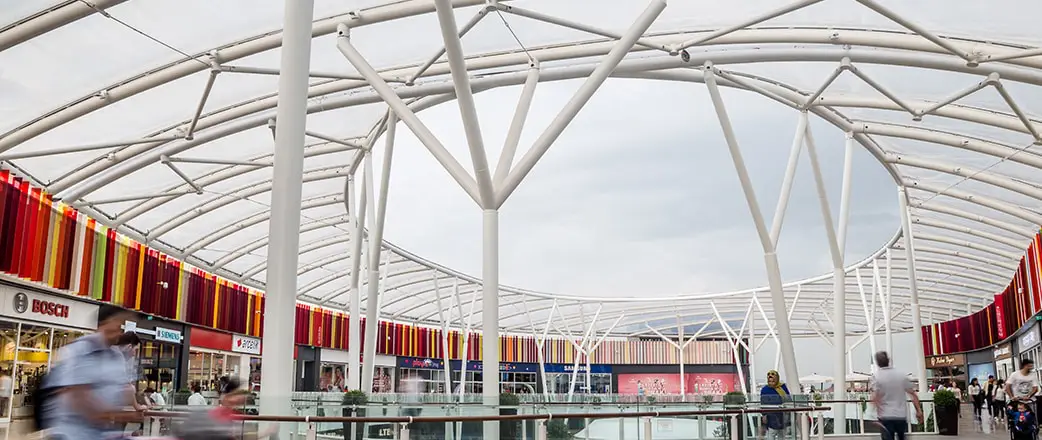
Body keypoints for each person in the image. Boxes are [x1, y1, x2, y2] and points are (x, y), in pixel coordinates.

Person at [44, 305, 143, 440]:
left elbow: (125, 389)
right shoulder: (80, 350)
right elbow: (79, 398)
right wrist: (121, 416)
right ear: (103, 324)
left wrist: (135, 406)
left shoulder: (116, 356)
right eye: (117, 325)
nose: (119, 332)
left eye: (121, 327)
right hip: (74, 434)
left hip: (103, 434)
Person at [870, 351, 924, 440]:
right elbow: (913, 394)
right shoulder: (900, 374)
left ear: (878, 363)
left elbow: (876, 398)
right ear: (888, 360)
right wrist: (919, 411)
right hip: (901, 415)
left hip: (885, 416)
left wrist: (873, 414)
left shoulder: (876, 377)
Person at [759, 370, 790, 440]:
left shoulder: (782, 387)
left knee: (781, 434)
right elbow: (763, 402)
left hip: (782, 414)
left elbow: (788, 399)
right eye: (770, 380)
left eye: (773, 380)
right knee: (771, 433)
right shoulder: (765, 389)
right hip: (771, 415)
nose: (771, 382)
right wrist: (764, 415)